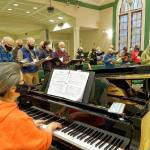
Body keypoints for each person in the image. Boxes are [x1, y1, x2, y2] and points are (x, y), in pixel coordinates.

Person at [0, 62, 62, 150]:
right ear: (13, 88)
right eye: (22, 81)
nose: (25, 84)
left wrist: (28, 126)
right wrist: (50, 127)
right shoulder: (18, 118)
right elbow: (41, 144)